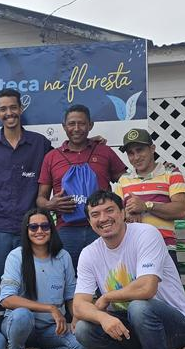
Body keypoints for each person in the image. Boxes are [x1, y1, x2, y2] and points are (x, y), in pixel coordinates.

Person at [72, 190, 185, 349]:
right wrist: (103, 318)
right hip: (135, 327)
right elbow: (79, 306)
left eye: (109, 210)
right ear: (89, 221)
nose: (103, 219)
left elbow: (147, 288)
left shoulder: (145, 234)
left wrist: (107, 297)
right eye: (95, 214)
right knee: (84, 329)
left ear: (122, 213)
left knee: (139, 306)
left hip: (174, 327)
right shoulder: (89, 253)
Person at [113, 128, 185, 349]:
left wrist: (146, 206)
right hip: (134, 252)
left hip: (164, 250)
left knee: (173, 304)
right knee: (140, 306)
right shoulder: (123, 181)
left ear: (152, 148)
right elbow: (118, 213)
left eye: (140, 150)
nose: (136, 156)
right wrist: (127, 214)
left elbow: (181, 209)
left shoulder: (171, 173)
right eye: (131, 152)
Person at [0, 210, 88, 349]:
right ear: (26, 230)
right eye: (33, 226)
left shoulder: (63, 256)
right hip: (22, 326)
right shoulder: (16, 256)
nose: (39, 231)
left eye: (45, 226)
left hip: (52, 329)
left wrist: (76, 318)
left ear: (51, 229)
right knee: (22, 315)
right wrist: (50, 308)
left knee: (83, 345)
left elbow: (71, 295)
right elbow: (7, 299)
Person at [0, 88, 52, 302]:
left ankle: (28, 327)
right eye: (3, 109)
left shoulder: (40, 143)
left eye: (13, 107)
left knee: (31, 281)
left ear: (21, 109)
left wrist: (89, 143)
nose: (9, 113)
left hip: (30, 228)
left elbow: (62, 160)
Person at [36, 104, 127, 270]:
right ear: (64, 127)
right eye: (71, 124)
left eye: (82, 123)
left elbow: (127, 183)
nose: (76, 128)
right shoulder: (51, 157)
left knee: (108, 276)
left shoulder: (104, 152)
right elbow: (40, 199)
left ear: (90, 125)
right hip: (66, 231)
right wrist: (51, 204)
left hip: (103, 228)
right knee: (68, 280)